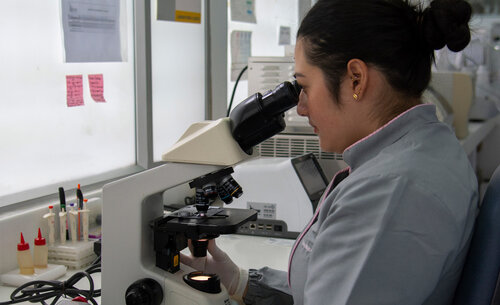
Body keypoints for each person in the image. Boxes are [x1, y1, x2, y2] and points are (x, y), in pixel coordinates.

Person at [181, 0, 479, 304]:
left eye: (305, 86)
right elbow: (344, 285)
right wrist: (241, 281)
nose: (301, 107)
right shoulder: (425, 149)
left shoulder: (387, 193)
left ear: (356, 79)